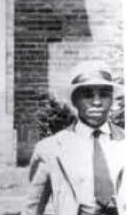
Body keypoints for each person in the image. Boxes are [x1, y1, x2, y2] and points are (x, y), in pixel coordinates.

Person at [24, 60, 126, 215]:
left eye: (104, 95)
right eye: (88, 95)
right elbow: (32, 209)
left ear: (112, 99)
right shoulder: (51, 149)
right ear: (74, 100)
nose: (97, 102)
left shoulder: (123, 142)